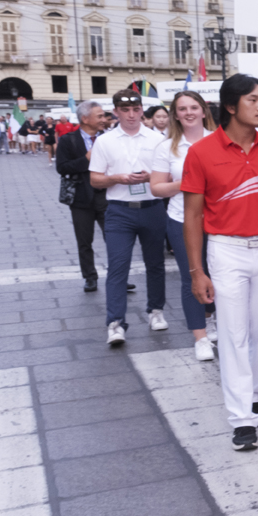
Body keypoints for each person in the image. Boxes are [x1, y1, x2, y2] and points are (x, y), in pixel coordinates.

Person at [182, 74, 258, 451]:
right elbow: (193, 216)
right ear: (231, 106)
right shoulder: (201, 153)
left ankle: (256, 396)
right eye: (253, 100)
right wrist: (197, 271)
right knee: (233, 334)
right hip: (226, 250)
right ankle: (241, 418)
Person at [89, 89, 168, 345]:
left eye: (136, 110)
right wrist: (118, 178)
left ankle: (155, 311)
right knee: (118, 266)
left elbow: (168, 175)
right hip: (120, 210)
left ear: (142, 109)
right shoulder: (105, 141)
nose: (132, 115)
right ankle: (115, 322)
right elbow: (95, 180)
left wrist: (150, 177)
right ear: (116, 112)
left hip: (152, 207)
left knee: (155, 263)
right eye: (125, 110)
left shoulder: (157, 139)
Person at [151, 91, 219, 360]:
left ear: (204, 111)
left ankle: (211, 317)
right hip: (181, 219)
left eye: (194, 107)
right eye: (182, 108)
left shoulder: (220, 141)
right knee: (193, 275)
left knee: (220, 275)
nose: (189, 112)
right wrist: (188, 183)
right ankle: (200, 336)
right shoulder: (167, 147)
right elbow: (156, 188)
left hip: (218, 220)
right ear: (175, 115)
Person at [56, 101, 109, 291]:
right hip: (81, 198)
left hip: (107, 196)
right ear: (85, 119)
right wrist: (86, 160)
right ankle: (90, 276)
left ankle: (118, 275)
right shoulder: (68, 140)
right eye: (100, 116)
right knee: (84, 241)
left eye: (104, 116)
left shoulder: (108, 138)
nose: (104, 119)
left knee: (114, 238)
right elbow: (62, 168)